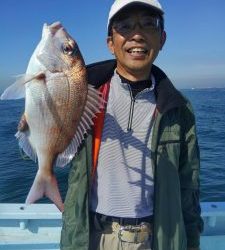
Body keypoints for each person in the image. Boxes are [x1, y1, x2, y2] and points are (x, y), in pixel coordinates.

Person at [60, 0, 204, 249]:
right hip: (91, 237)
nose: (137, 35)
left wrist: (191, 242)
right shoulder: (82, 96)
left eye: (149, 25)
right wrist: (33, 118)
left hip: (157, 238)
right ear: (110, 43)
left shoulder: (179, 109)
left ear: (162, 39)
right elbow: (33, 152)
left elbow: (188, 187)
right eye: (125, 27)